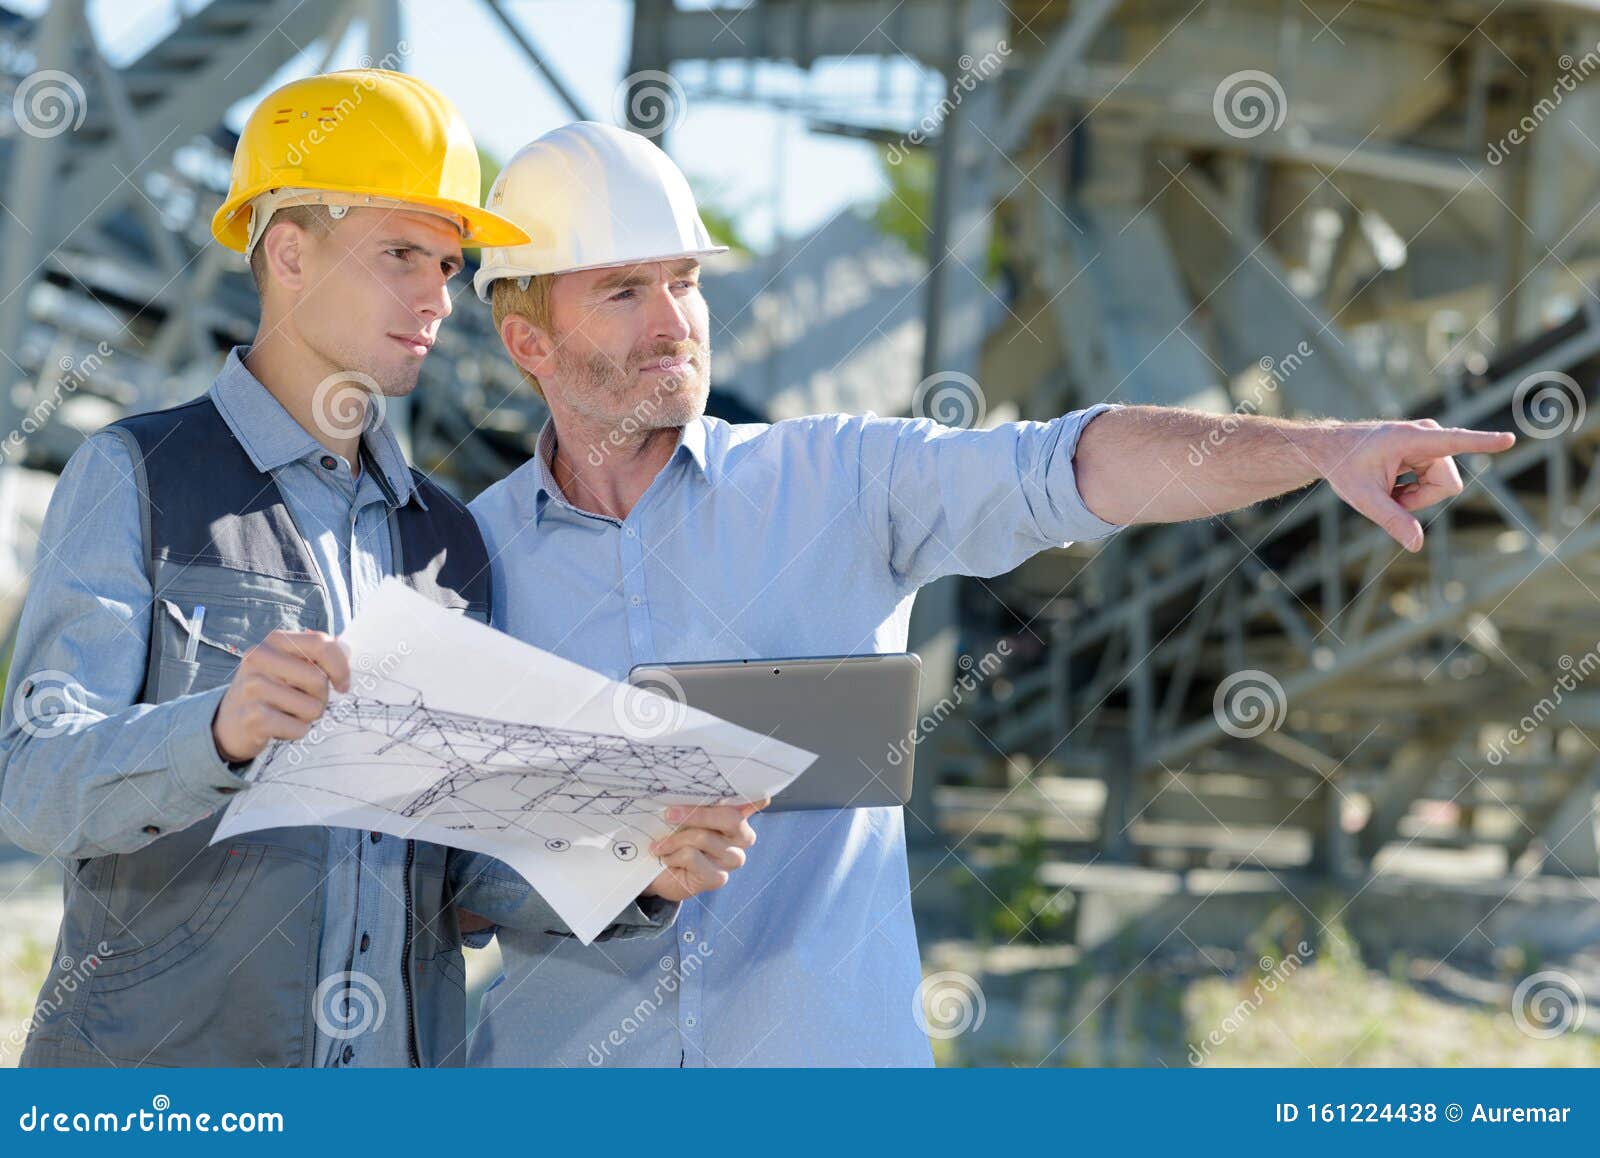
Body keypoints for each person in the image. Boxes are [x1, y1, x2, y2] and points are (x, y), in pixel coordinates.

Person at [464, 121, 1516, 1067]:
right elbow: (443, 881)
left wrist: (1325, 449)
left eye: (685, 279)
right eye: (623, 291)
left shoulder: (838, 485)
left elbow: (1073, 463)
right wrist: (618, 863)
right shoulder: (466, 564)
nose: (675, 321)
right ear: (529, 343)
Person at [0, 75, 748, 1069]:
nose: (439, 297)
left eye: (447, 261)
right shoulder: (137, 476)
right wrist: (215, 731)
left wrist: (633, 864)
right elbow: (36, 783)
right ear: (291, 252)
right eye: (400, 254)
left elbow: (456, 869)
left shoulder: (450, 541)